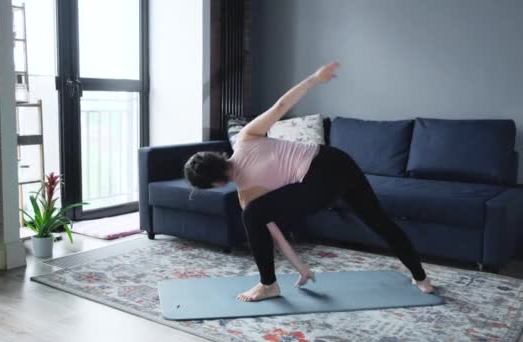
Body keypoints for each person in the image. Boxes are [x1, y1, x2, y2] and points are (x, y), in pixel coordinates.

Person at [184, 62, 434, 302]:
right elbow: (281, 105)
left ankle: (268, 285)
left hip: (320, 181)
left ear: (214, 184)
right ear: (216, 157)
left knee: (252, 215)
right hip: (336, 159)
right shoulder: (246, 136)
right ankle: (421, 279)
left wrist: (300, 267)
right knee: (379, 221)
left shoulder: (247, 195)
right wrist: (314, 79)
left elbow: (277, 237)